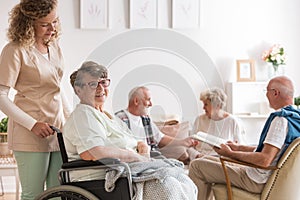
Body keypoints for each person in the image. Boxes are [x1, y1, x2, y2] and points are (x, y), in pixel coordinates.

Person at [63, 61, 198, 199]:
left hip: (128, 173)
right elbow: (93, 152)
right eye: (93, 84)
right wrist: (134, 156)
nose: (100, 88)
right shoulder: (83, 114)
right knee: (167, 186)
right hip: (105, 179)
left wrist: (143, 148)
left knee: (183, 180)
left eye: (103, 82)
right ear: (79, 90)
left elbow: (134, 140)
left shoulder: (108, 116)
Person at [0, 0, 71, 199]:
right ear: (28, 22)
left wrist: (70, 118)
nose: (52, 28)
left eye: (55, 21)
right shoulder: (15, 50)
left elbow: (57, 87)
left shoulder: (54, 45)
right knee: (34, 194)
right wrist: (32, 124)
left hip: (57, 130)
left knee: (58, 193)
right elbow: (1, 96)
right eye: (44, 24)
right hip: (29, 132)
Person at [188, 76, 300, 200]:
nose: (266, 95)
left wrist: (230, 154)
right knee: (208, 159)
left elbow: (265, 159)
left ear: (275, 93)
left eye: (267, 91)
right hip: (265, 175)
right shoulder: (294, 117)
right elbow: (268, 152)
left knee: (196, 166)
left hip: (257, 180)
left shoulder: (280, 120)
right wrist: (238, 147)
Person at [115, 86, 197, 162]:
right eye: (148, 99)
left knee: (174, 166)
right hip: (133, 160)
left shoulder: (145, 119)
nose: (151, 104)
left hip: (152, 157)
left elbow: (160, 138)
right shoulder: (119, 118)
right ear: (136, 101)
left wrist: (182, 142)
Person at [187, 87, 245, 160]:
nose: (203, 108)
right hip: (201, 159)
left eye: (206, 104)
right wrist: (198, 155)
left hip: (222, 160)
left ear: (217, 105)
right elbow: (189, 146)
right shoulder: (199, 120)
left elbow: (239, 147)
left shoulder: (232, 121)